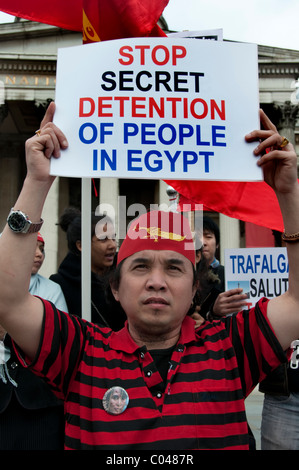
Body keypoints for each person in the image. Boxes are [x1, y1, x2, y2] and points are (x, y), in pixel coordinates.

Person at [0, 103, 299, 450]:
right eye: (140, 266)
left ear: (194, 289)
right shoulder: (81, 353)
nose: (157, 281)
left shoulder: (233, 348)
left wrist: (289, 194)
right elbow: (7, 301)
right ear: (115, 287)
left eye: (174, 268)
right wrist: (36, 181)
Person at [0, 232, 67, 450]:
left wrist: (8, 331)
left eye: (42, 249)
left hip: (39, 398)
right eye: (33, 248)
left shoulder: (52, 290)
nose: (39, 255)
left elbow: (56, 340)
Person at [50, 207, 126, 330]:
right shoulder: (59, 286)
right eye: (103, 239)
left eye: (113, 238)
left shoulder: (124, 275)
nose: (112, 245)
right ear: (81, 245)